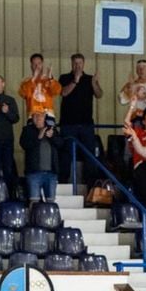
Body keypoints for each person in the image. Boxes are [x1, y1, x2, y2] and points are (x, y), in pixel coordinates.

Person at [57, 53, 102, 190]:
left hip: (86, 124)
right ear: (71, 64)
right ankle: (63, 183)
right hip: (68, 124)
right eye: (75, 63)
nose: (77, 66)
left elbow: (99, 94)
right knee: (66, 154)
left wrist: (94, 84)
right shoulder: (64, 77)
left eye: (80, 63)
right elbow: (63, 93)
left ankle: (91, 185)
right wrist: (75, 81)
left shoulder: (90, 79)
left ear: (84, 64)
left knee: (89, 155)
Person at [19, 111, 60, 203]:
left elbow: (61, 144)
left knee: (51, 202)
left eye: (40, 116)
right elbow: (24, 145)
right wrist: (38, 137)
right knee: (34, 202)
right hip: (34, 173)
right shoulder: (27, 130)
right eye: (35, 116)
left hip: (51, 174)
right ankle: (34, 217)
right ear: (32, 117)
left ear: (45, 117)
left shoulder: (52, 129)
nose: (38, 118)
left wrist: (52, 137)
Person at [17, 53, 62, 119]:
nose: (37, 66)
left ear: (42, 65)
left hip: (48, 114)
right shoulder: (26, 81)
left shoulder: (48, 79)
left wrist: (51, 79)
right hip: (32, 115)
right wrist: (33, 78)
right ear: (31, 66)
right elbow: (23, 94)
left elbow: (57, 91)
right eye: (34, 64)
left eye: (39, 63)